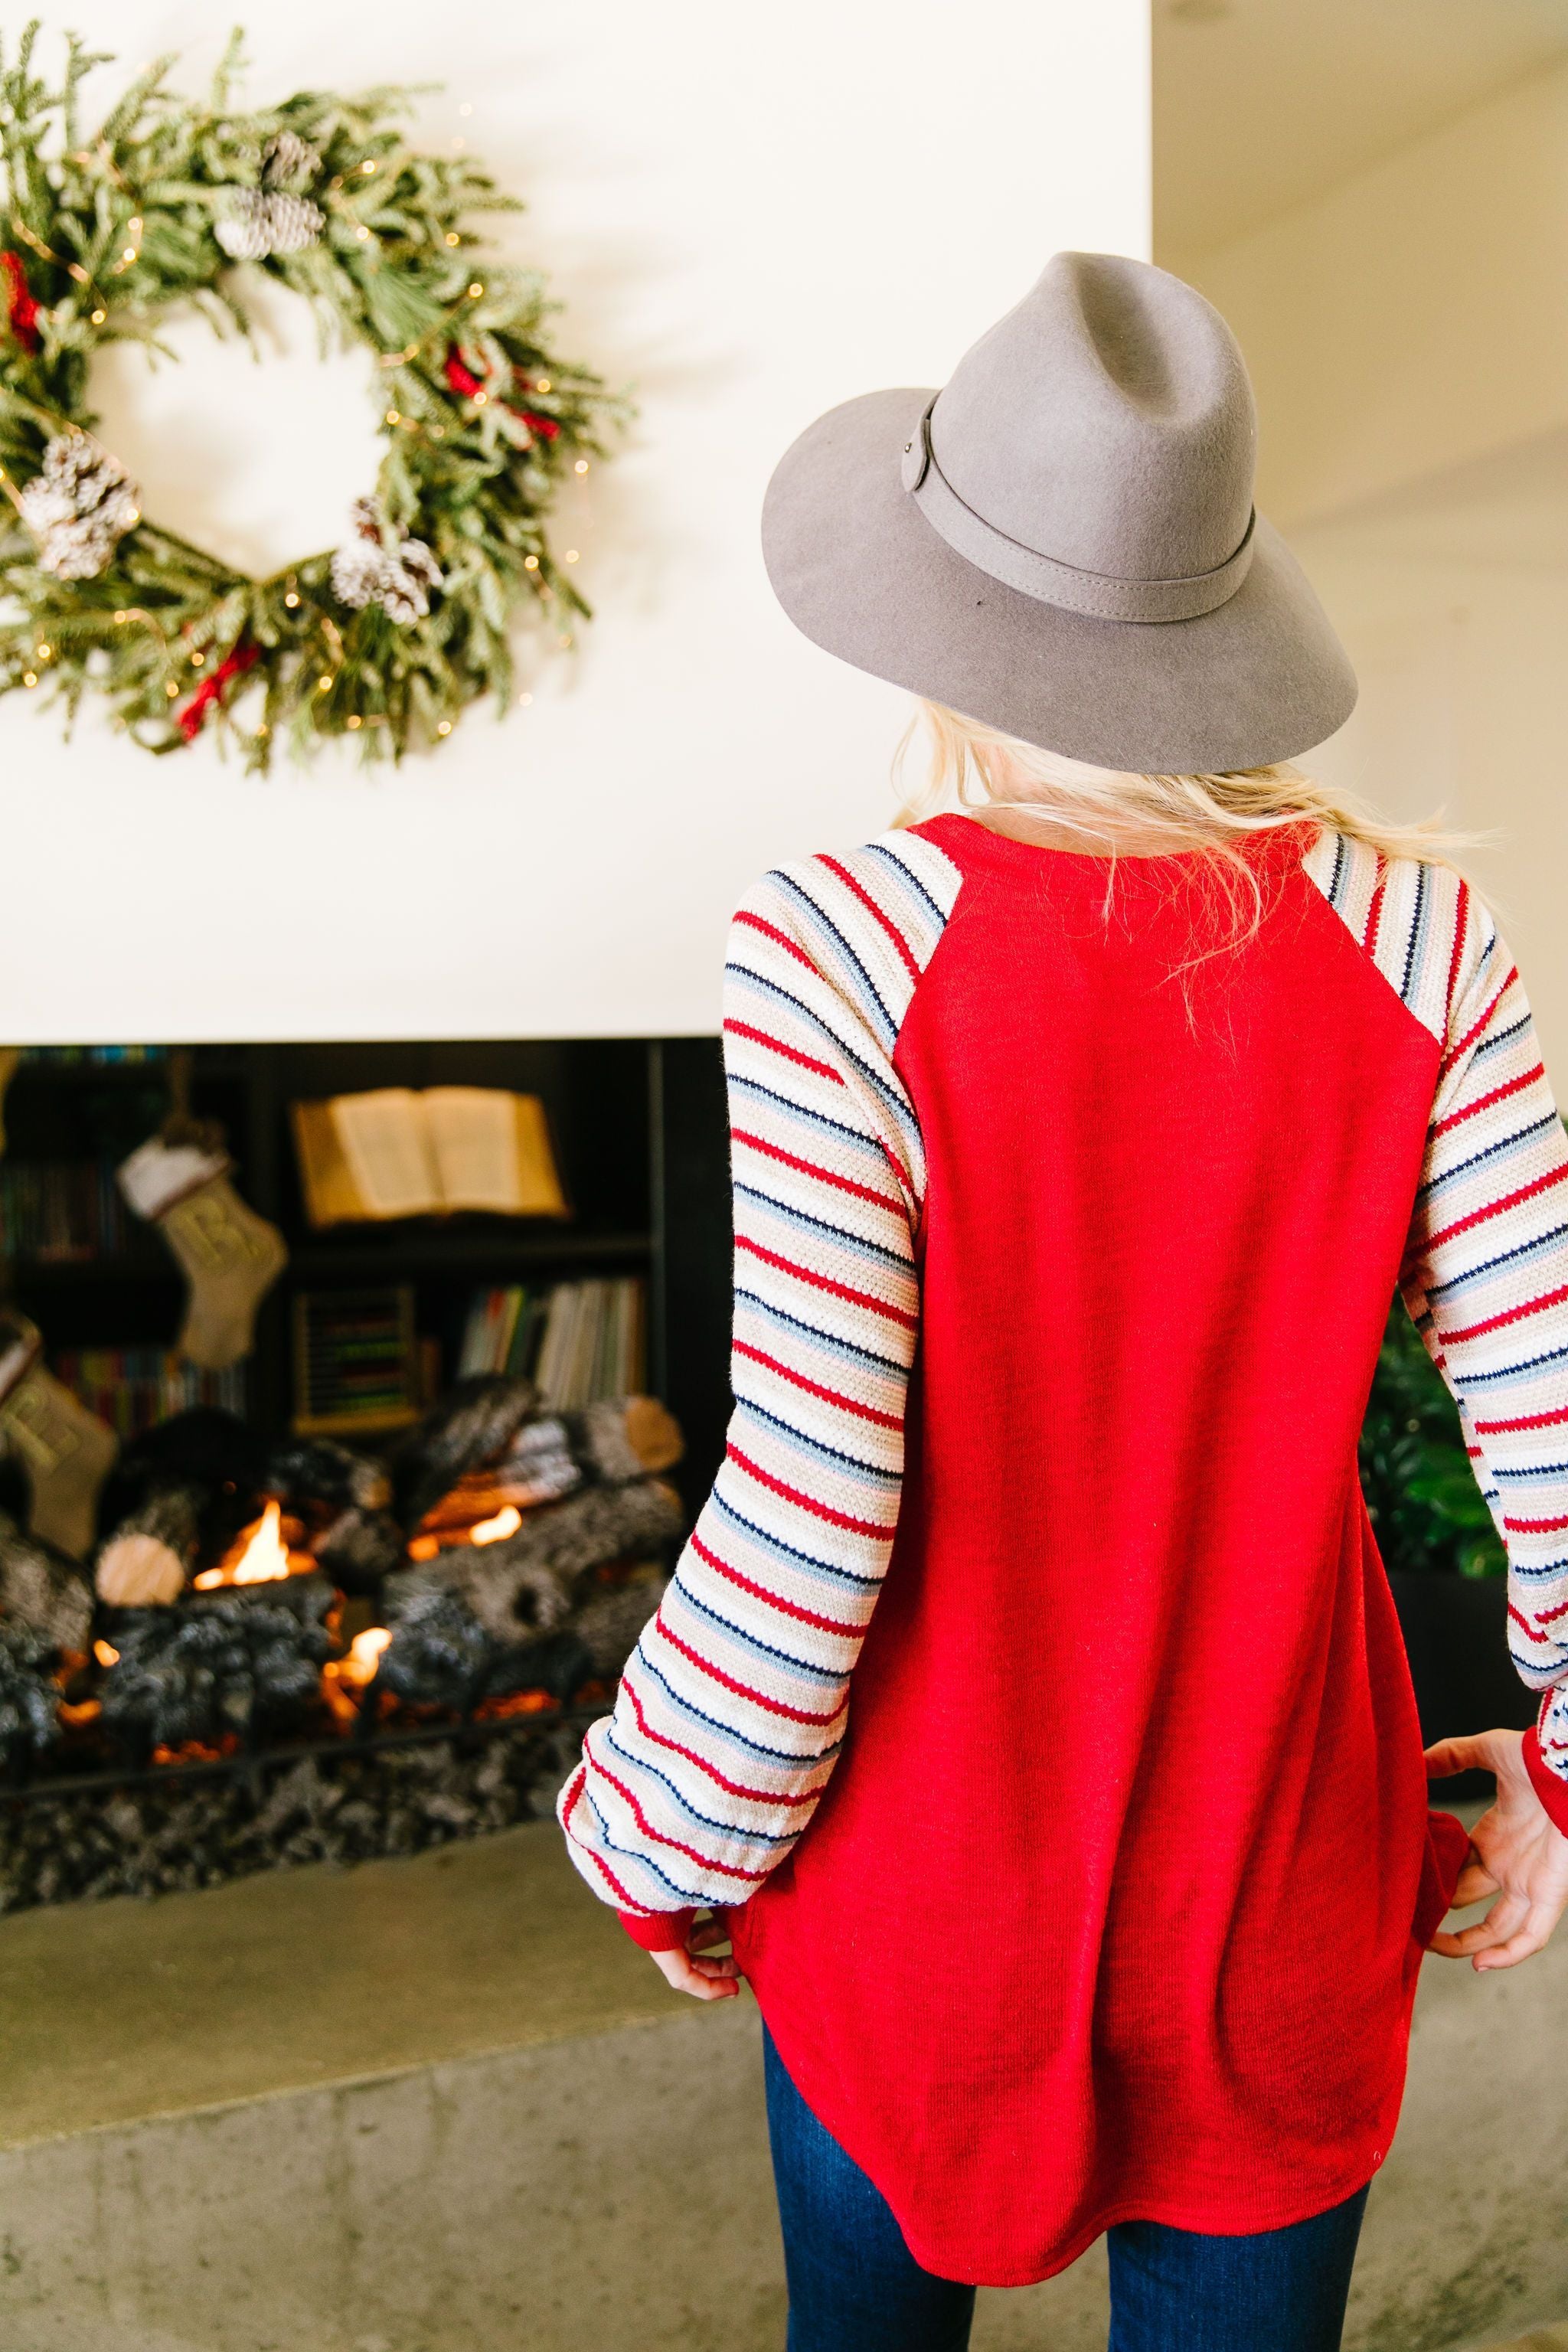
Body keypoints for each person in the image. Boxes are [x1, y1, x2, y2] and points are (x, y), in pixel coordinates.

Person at [557, 253, 1568, 2350]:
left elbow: (813, 1500)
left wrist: (666, 1828)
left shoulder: (836, 943)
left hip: (921, 1901)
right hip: (1282, 1881)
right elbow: (1557, 1414)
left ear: (936, 616)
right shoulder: (1428, 941)